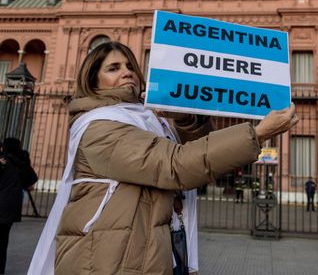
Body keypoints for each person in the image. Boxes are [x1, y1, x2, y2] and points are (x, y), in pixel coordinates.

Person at [28, 41, 298, 275]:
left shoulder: (145, 118)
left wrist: (184, 118)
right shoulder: (100, 125)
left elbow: (196, 152)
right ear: (92, 80)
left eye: (130, 66)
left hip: (144, 248)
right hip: (107, 257)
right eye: (114, 68)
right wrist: (259, 133)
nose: (128, 73)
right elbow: (175, 165)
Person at [0, 138, 38, 275]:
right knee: (3, 240)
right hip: (11, 206)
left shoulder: (3, 161)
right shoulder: (21, 163)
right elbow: (32, 179)